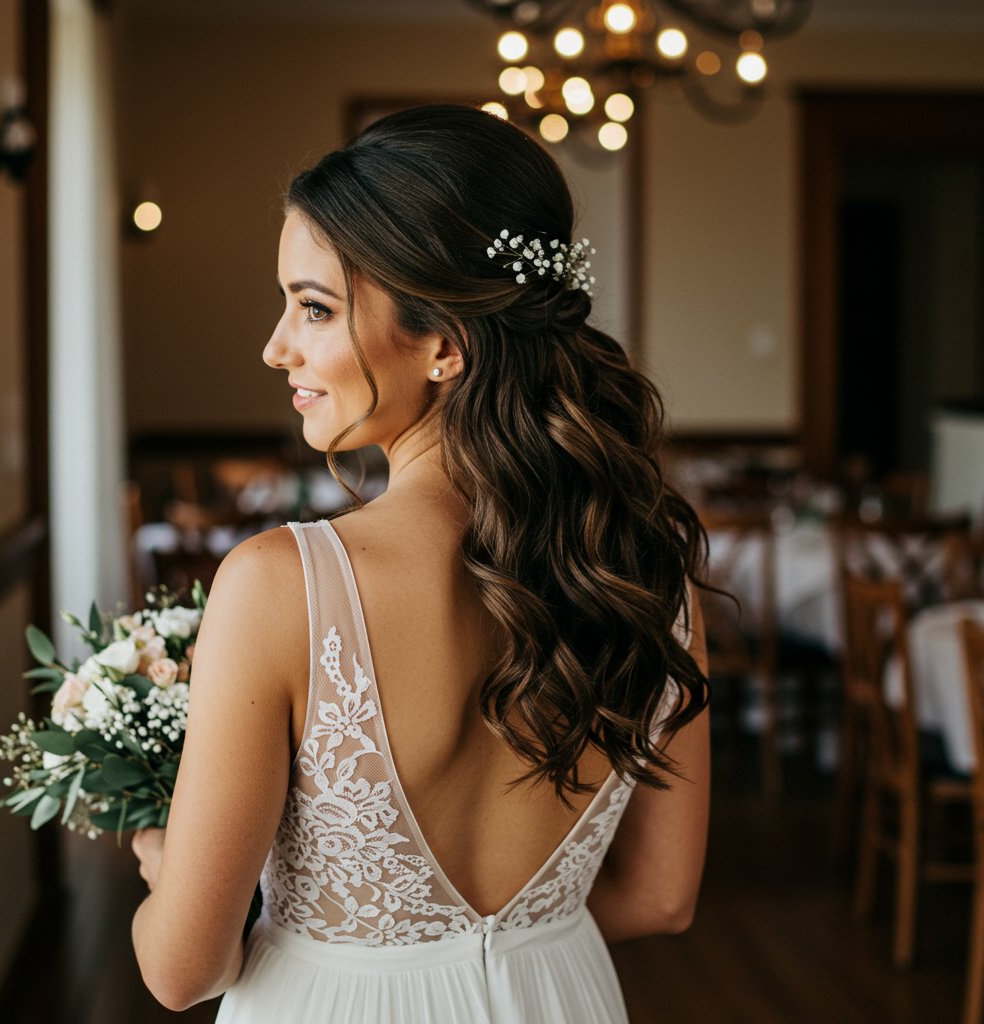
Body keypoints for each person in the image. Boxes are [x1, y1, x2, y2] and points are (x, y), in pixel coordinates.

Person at [131, 103, 710, 1024]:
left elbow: (182, 971)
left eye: (314, 307)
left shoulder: (280, 584)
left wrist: (167, 865)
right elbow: (661, 898)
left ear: (445, 342)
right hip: (558, 996)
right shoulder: (647, 571)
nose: (276, 345)